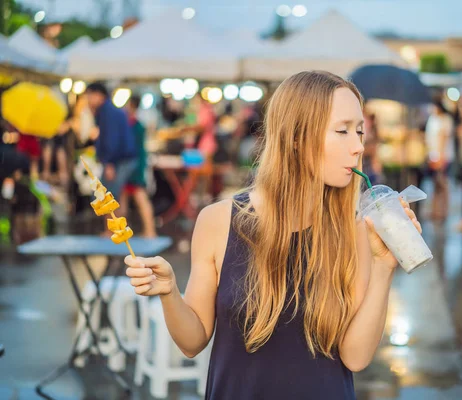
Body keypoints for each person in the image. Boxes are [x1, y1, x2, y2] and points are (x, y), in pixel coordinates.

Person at [124, 71, 422, 399]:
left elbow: (355, 356)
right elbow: (192, 342)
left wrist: (384, 267)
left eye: (360, 131)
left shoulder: (354, 231)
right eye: (342, 131)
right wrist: (169, 293)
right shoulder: (217, 221)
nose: (358, 146)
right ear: (295, 137)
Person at [86, 82, 138, 233]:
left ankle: (112, 231)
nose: (88, 99)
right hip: (121, 159)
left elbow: (112, 140)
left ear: (99, 95)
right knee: (115, 196)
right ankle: (116, 231)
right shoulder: (108, 110)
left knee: (108, 197)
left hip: (118, 160)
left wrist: (109, 163)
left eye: (90, 95)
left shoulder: (107, 112)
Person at [119, 95, 157, 238]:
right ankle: (123, 232)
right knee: (124, 200)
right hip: (133, 165)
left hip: (133, 166)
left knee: (138, 198)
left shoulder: (134, 126)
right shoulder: (133, 124)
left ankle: (150, 231)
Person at [425, 100, 454, 219]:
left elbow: (444, 138)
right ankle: (435, 210)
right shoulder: (433, 119)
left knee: (443, 184)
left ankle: (443, 211)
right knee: (435, 184)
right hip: (433, 155)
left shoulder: (446, 119)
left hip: (442, 156)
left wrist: (441, 157)